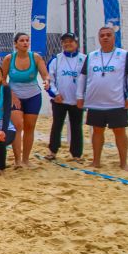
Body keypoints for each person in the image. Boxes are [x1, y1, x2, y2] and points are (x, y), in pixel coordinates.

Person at [77, 27, 128, 172]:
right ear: (99, 38)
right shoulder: (92, 56)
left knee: (120, 131)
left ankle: (123, 163)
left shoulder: (124, 55)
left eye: (109, 35)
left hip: (117, 101)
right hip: (95, 102)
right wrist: (79, 96)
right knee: (97, 131)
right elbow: (82, 78)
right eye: (102, 35)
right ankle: (96, 162)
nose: (105, 38)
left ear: (114, 37)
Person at [2, 33, 50, 168]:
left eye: (27, 40)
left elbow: (45, 74)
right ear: (15, 44)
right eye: (22, 41)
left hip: (33, 95)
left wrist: (47, 81)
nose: (25, 43)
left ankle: (26, 159)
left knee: (29, 127)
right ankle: (17, 160)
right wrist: (11, 94)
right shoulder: (9, 59)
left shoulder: (35, 57)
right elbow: (2, 79)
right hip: (14, 96)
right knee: (18, 126)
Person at [46, 32, 86, 162]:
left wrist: (83, 97)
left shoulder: (85, 59)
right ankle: (52, 151)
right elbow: (49, 79)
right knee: (56, 125)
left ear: (76, 43)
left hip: (77, 100)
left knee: (76, 126)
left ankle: (76, 154)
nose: (67, 44)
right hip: (59, 100)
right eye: (64, 42)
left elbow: (89, 80)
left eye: (70, 41)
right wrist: (54, 93)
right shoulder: (55, 60)